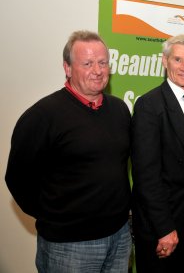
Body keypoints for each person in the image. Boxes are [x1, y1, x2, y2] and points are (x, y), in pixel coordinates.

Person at [5, 30, 132, 272]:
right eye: (87, 63)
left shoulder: (119, 110)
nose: (97, 69)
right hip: (69, 245)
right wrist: (57, 216)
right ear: (67, 67)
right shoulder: (42, 116)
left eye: (103, 62)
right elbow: (18, 179)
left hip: (120, 236)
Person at [131, 34, 184, 273]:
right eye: (178, 60)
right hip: (161, 227)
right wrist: (164, 228)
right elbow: (146, 176)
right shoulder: (148, 105)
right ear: (164, 62)